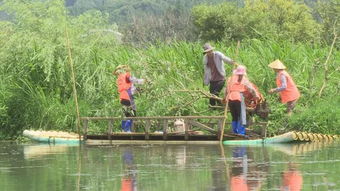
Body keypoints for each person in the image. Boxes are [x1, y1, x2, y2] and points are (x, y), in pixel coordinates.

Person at [224, 65, 259, 135]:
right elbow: (251, 89)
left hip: (230, 98)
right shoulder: (244, 80)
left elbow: (226, 90)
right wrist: (256, 96)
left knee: (234, 116)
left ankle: (234, 131)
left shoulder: (230, 78)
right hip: (239, 97)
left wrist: (225, 97)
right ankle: (241, 133)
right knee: (241, 115)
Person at [113, 65, 145, 132]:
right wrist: (143, 80)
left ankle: (124, 130)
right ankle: (127, 130)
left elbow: (129, 87)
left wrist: (137, 90)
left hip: (122, 98)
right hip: (128, 97)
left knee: (126, 114)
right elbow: (134, 80)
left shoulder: (119, 79)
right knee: (131, 114)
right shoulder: (126, 76)